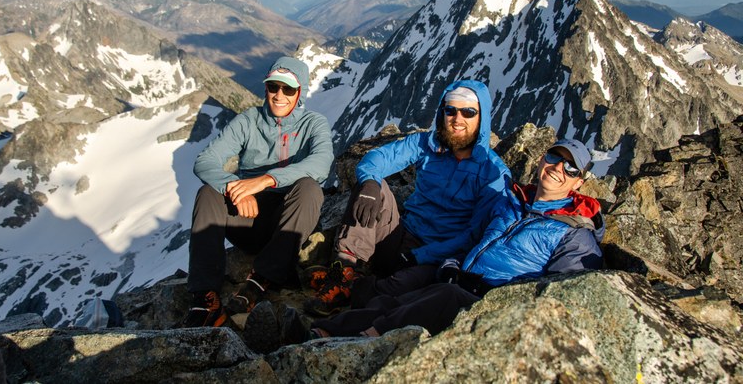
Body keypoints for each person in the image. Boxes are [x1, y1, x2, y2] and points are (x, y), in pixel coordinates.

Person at [293, 138, 604, 340]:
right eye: (554, 157)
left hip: (494, 302)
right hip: (461, 280)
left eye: (570, 167)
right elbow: (474, 236)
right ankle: (321, 333)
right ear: (542, 159)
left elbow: (565, 294)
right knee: (398, 301)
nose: (558, 168)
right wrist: (454, 262)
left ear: (579, 180)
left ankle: (362, 342)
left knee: (439, 300)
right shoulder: (511, 200)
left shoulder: (576, 234)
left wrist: (496, 295)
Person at [304, 80, 511, 316]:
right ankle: (345, 272)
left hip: (436, 256)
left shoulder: (493, 173)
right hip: (402, 235)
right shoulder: (428, 144)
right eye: (450, 110)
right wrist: (370, 182)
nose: (457, 119)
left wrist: (418, 256)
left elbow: (474, 235)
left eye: (468, 112)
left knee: (399, 288)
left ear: (481, 118)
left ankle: (357, 290)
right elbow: (378, 158)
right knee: (374, 188)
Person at [182, 56, 334, 328]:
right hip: (248, 216)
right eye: (273, 87)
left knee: (310, 188)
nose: (279, 95)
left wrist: (264, 180)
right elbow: (205, 161)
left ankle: (260, 280)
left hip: (289, 221)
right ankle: (205, 298)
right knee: (208, 194)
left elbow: (321, 164)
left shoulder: (314, 123)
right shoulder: (248, 121)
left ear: (300, 93)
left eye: (288, 89)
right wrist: (234, 187)